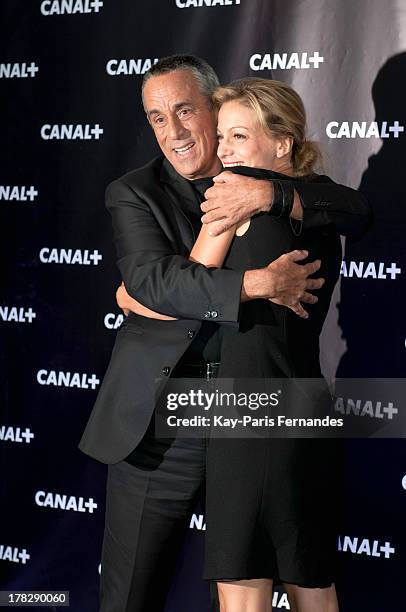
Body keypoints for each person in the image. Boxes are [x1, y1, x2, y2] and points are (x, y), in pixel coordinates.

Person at [79, 55, 369, 612]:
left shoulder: (279, 184)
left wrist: (274, 196)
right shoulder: (134, 191)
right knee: (132, 596)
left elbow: (356, 209)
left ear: (214, 111)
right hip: (164, 422)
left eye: (185, 111)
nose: (174, 131)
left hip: (258, 412)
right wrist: (255, 284)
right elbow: (154, 284)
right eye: (157, 118)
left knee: (266, 580)